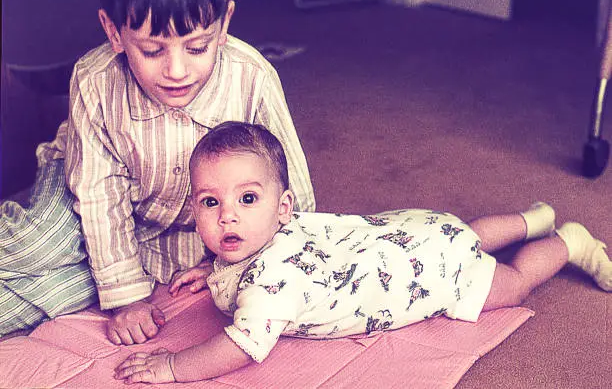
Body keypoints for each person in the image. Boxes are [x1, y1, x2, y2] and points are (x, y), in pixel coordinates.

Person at [114, 122, 612, 384]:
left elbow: (241, 347)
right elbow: (236, 255)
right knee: (465, 233)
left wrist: (173, 367)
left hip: (430, 278)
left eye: (247, 199)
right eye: (210, 202)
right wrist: (212, 270)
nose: (228, 217)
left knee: (513, 281)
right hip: (410, 232)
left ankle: (568, 241)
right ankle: (530, 218)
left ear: (283, 206)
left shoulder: (272, 285)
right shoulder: (273, 229)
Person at [0, 0, 316, 343]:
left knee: (66, 290)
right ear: (113, 32)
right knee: (42, 245)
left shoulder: (253, 77)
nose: (177, 71)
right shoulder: (96, 80)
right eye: (152, 50)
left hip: (169, 231)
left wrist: (226, 263)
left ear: (224, 24)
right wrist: (128, 298)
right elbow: (98, 196)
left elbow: (291, 197)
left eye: (197, 47)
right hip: (86, 184)